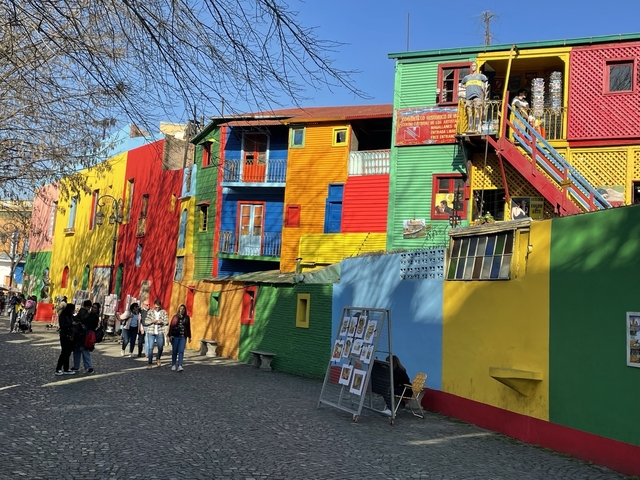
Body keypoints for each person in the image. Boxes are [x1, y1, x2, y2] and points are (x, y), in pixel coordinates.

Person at [72, 301, 100, 373]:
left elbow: (85, 320)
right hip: (81, 334)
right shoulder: (88, 313)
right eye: (92, 307)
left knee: (85, 350)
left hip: (87, 335)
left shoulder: (94, 316)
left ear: (97, 309)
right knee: (77, 350)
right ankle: (76, 366)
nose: (92, 309)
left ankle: (89, 367)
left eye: (94, 308)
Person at [460, 62, 488, 133]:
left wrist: (484, 90)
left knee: (477, 111)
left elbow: (485, 81)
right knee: (469, 112)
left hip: (477, 96)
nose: (473, 67)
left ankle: (476, 128)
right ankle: (470, 128)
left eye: (474, 66)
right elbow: (462, 84)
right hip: (468, 96)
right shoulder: (467, 77)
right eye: (472, 66)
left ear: (476, 67)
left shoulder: (480, 76)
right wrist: (466, 87)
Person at [143, 299, 168, 368]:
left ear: (160, 306)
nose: (157, 308)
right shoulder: (150, 312)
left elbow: (166, 321)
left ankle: (158, 358)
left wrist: (161, 321)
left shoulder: (163, 312)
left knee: (160, 347)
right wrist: (152, 321)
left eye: (158, 307)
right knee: (151, 348)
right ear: (154, 305)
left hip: (160, 332)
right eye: (156, 307)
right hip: (151, 331)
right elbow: (146, 321)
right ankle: (150, 363)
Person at [55, 303, 77, 375]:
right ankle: (58, 368)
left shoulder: (70, 316)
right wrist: (71, 324)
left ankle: (66, 368)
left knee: (68, 353)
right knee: (64, 352)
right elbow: (62, 325)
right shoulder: (63, 315)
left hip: (71, 336)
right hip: (65, 336)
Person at [169, 304, 191, 372]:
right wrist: (170, 335)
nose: (182, 310)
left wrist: (189, 336)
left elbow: (188, 327)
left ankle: (180, 365)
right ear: (179, 309)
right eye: (181, 308)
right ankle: (173, 364)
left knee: (181, 351)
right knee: (175, 351)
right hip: (175, 336)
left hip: (183, 336)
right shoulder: (175, 317)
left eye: (183, 309)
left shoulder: (187, 318)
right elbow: (171, 326)